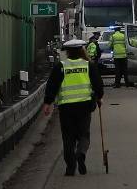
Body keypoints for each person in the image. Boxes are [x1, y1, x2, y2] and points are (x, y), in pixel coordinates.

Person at [42, 39, 104, 177]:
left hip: (66, 107)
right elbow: (98, 84)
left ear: (68, 52)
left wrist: (47, 103)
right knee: (84, 134)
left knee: (68, 137)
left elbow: (52, 86)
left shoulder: (61, 66)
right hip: (85, 106)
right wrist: (99, 97)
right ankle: (81, 153)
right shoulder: (88, 65)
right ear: (82, 50)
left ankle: (70, 167)